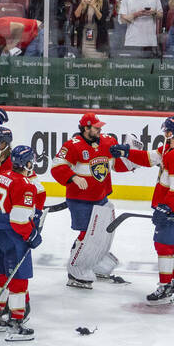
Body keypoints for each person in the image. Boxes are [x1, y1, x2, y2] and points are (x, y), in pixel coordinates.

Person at [118, 116, 174, 305]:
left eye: (165, 131)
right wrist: (127, 152)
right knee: (173, 245)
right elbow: (148, 158)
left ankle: (165, 287)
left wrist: (165, 207)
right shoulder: (170, 149)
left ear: (170, 132)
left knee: (162, 245)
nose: (164, 134)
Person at [50, 112, 132, 289]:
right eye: (96, 127)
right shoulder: (72, 146)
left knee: (101, 234)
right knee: (87, 234)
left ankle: (93, 262)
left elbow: (116, 165)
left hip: (101, 197)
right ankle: (76, 270)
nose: (100, 129)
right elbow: (57, 167)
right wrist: (72, 177)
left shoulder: (107, 141)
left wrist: (133, 159)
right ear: (86, 128)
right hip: (80, 200)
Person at [0, 143, 45, 341]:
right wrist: (32, 235)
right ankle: (15, 323)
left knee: (2, 277)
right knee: (18, 280)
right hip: (13, 238)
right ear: (26, 163)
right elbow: (19, 220)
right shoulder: (25, 184)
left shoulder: (3, 177)